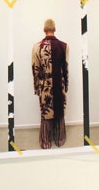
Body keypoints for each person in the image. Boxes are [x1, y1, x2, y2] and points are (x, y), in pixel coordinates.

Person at [32, 19, 69, 149]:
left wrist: (37, 88)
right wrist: (66, 85)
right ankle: (59, 138)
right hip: (59, 85)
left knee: (46, 111)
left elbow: (35, 69)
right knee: (59, 110)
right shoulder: (64, 46)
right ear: (55, 29)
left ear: (44, 30)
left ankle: (46, 140)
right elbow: (65, 68)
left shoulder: (37, 47)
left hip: (45, 86)